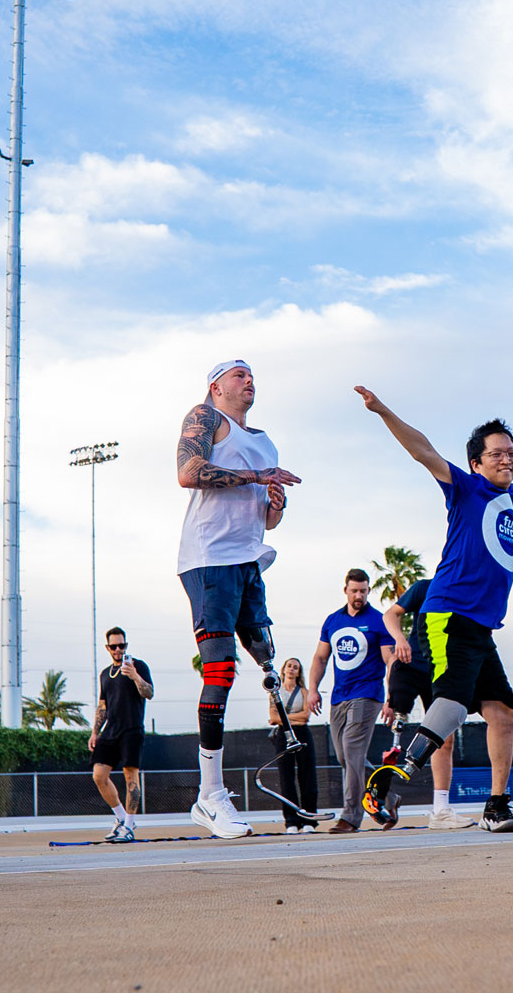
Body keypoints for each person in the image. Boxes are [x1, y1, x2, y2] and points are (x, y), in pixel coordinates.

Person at [357, 387, 513, 834]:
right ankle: (388, 778)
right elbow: (423, 450)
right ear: (477, 462)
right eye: (496, 454)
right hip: (450, 613)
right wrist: (383, 411)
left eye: (512, 453)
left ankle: (496, 805)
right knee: (453, 706)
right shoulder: (466, 488)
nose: (506, 460)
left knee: (503, 713)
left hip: (481, 625)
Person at [174, 359, 302, 839]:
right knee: (221, 668)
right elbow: (189, 473)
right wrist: (255, 477)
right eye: (239, 374)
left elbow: (268, 522)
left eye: (252, 375)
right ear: (216, 386)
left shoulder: (265, 440)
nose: (249, 380)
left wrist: (274, 505)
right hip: (208, 558)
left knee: (266, 658)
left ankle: (261, 781)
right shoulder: (206, 417)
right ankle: (209, 796)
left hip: (249, 560)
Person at [310, 569, 395, 834]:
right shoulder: (333, 620)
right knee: (346, 757)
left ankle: (351, 816)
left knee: (353, 752)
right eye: (354, 590)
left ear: (368, 591)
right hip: (338, 697)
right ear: (345, 590)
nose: (359, 595)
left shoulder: (379, 621)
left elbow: (389, 660)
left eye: (363, 590)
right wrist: (313, 689)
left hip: (367, 695)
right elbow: (321, 658)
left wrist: (390, 698)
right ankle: (388, 799)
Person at [380, 577, 460, 830]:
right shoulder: (424, 587)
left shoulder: (464, 592)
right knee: (396, 733)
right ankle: (382, 797)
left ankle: (440, 808)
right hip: (410, 665)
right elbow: (390, 615)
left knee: (445, 739)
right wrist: (400, 640)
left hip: (441, 672)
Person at [90, 627, 153, 842]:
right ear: (107, 648)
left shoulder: (139, 666)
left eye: (122, 645)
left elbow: (149, 693)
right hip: (110, 731)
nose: (118, 650)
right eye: (114, 646)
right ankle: (121, 818)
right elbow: (102, 706)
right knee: (98, 775)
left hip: (132, 729)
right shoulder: (105, 674)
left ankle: (129, 826)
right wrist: (95, 732)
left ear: (126, 645)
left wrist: (135, 676)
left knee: (131, 778)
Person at [269, 658, 322, 832]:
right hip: (283, 736)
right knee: (286, 778)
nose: (292, 669)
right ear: (283, 670)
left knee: (307, 777)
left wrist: (285, 718)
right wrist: (293, 718)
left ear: (299, 672)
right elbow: (273, 718)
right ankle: (291, 821)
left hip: (302, 734)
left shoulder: (304, 692)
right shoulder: (274, 693)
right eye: (289, 666)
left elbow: (305, 716)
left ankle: (309, 820)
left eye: (296, 667)